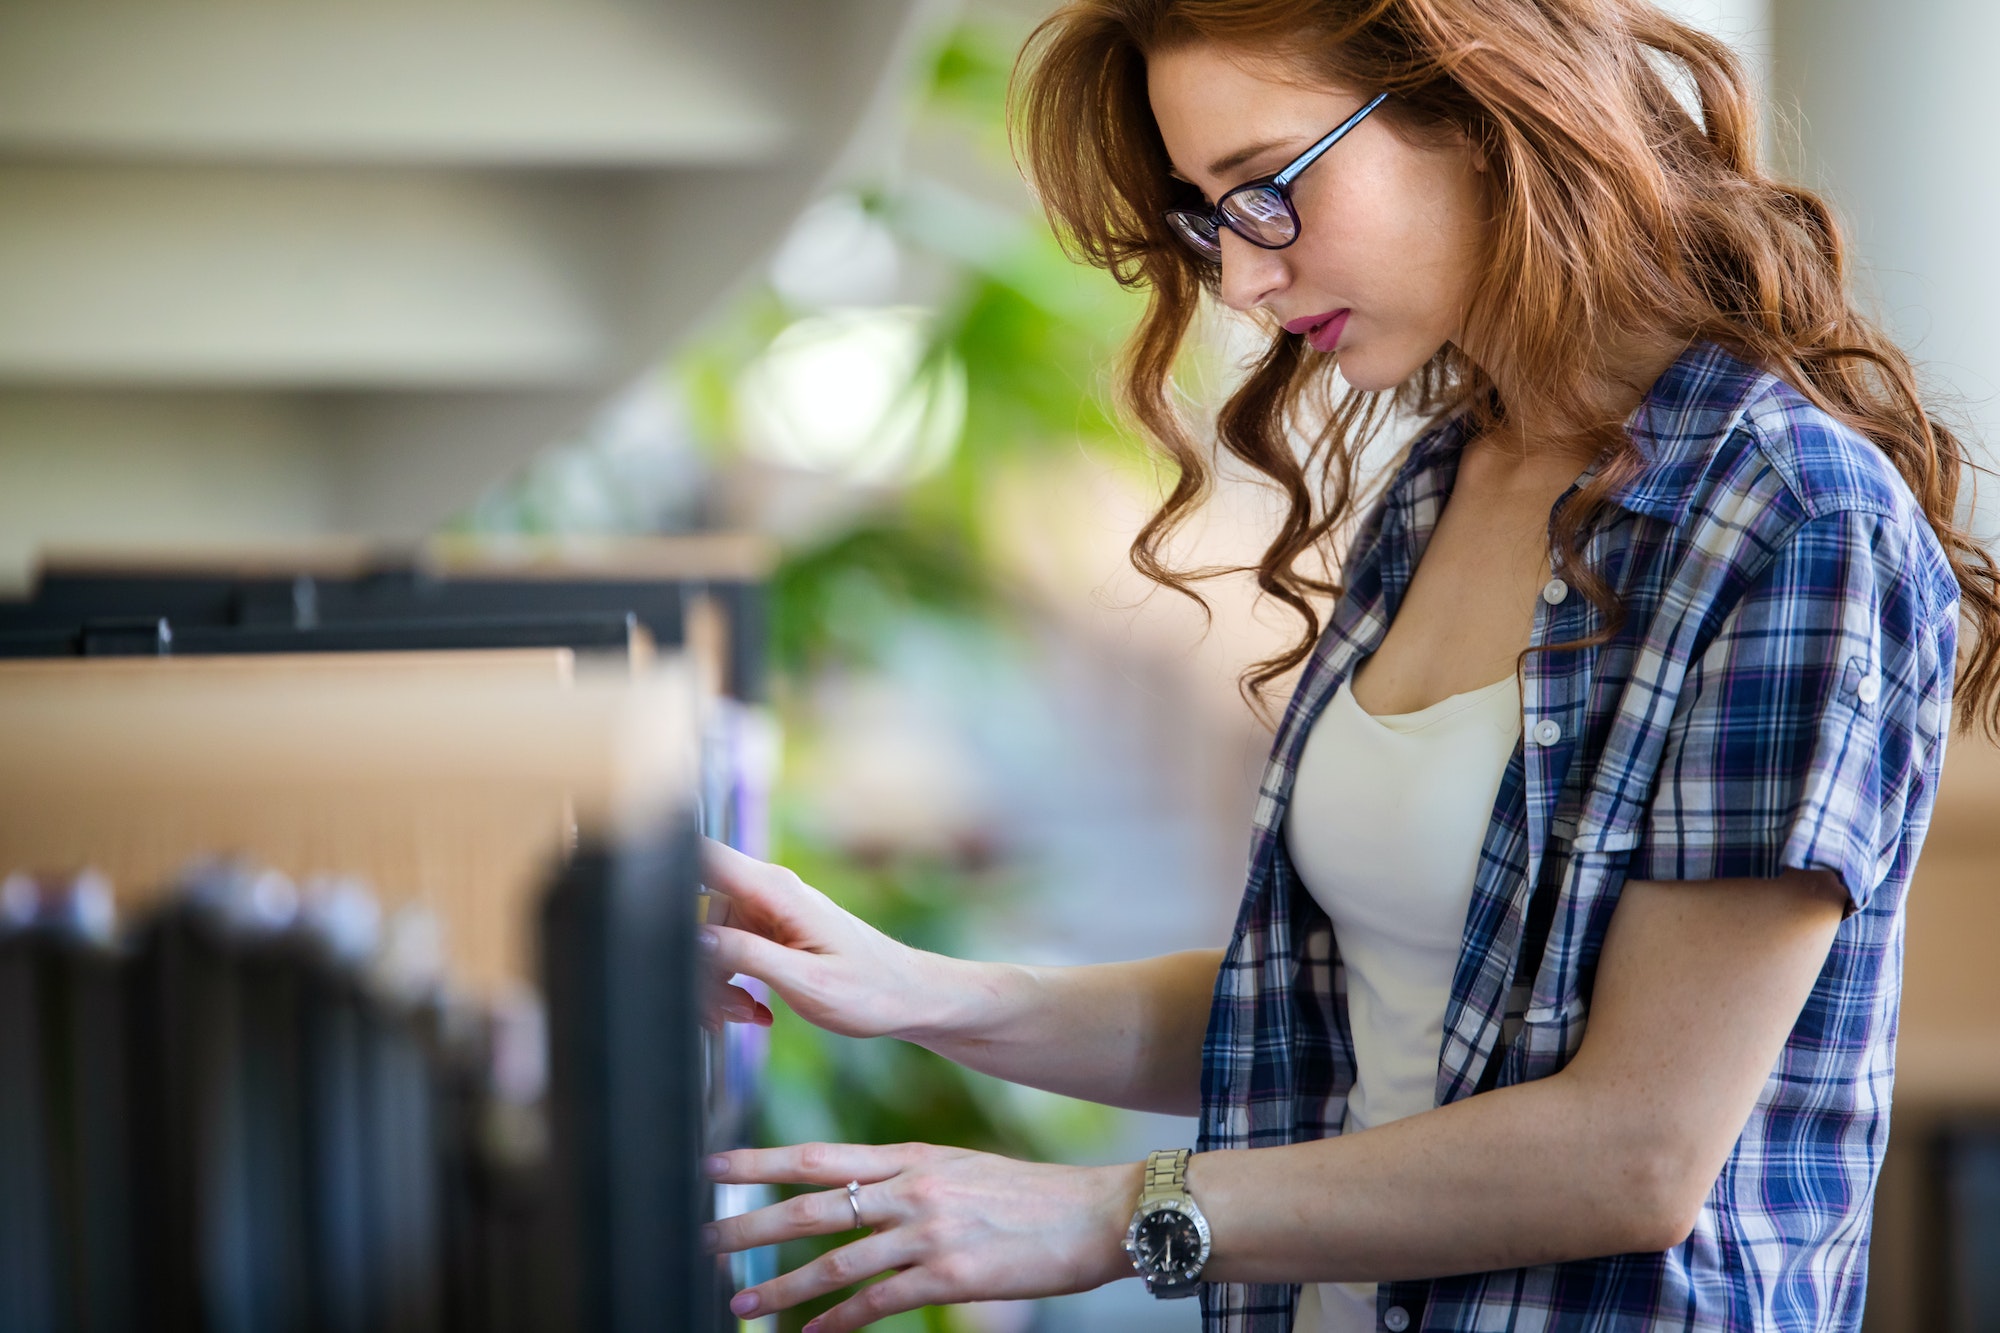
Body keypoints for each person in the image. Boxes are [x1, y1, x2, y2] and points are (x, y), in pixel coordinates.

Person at [698, 2, 2000, 1330]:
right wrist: (923, 990)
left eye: (1268, 188)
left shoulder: (1788, 514)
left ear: (1482, 113)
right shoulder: (1446, 481)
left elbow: (1639, 1153)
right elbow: (1334, 999)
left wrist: (1100, 1213)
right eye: (1212, 215)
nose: (1243, 278)